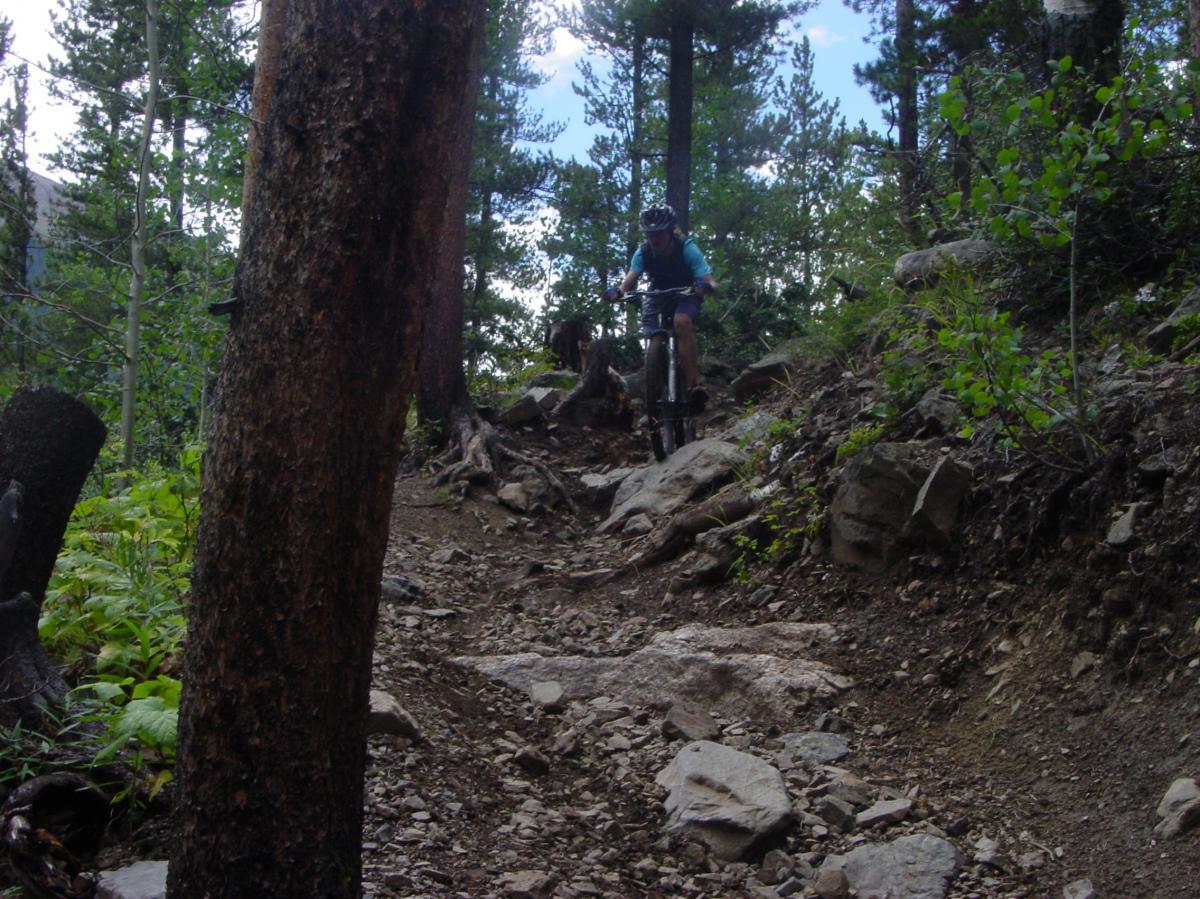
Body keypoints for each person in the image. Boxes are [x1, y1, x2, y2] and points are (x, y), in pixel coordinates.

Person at [604, 204, 718, 413]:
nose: (654, 238)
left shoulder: (687, 247)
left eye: (658, 233)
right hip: (657, 293)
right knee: (651, 332)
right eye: (649, 234)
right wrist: (618, 292)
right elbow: (630, 279)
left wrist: (705, 286)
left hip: (686, 291)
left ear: (670, 230)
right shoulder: (644, 252)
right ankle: (656, 383)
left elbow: (710, 280)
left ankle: (694, 385)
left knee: (681, 322)